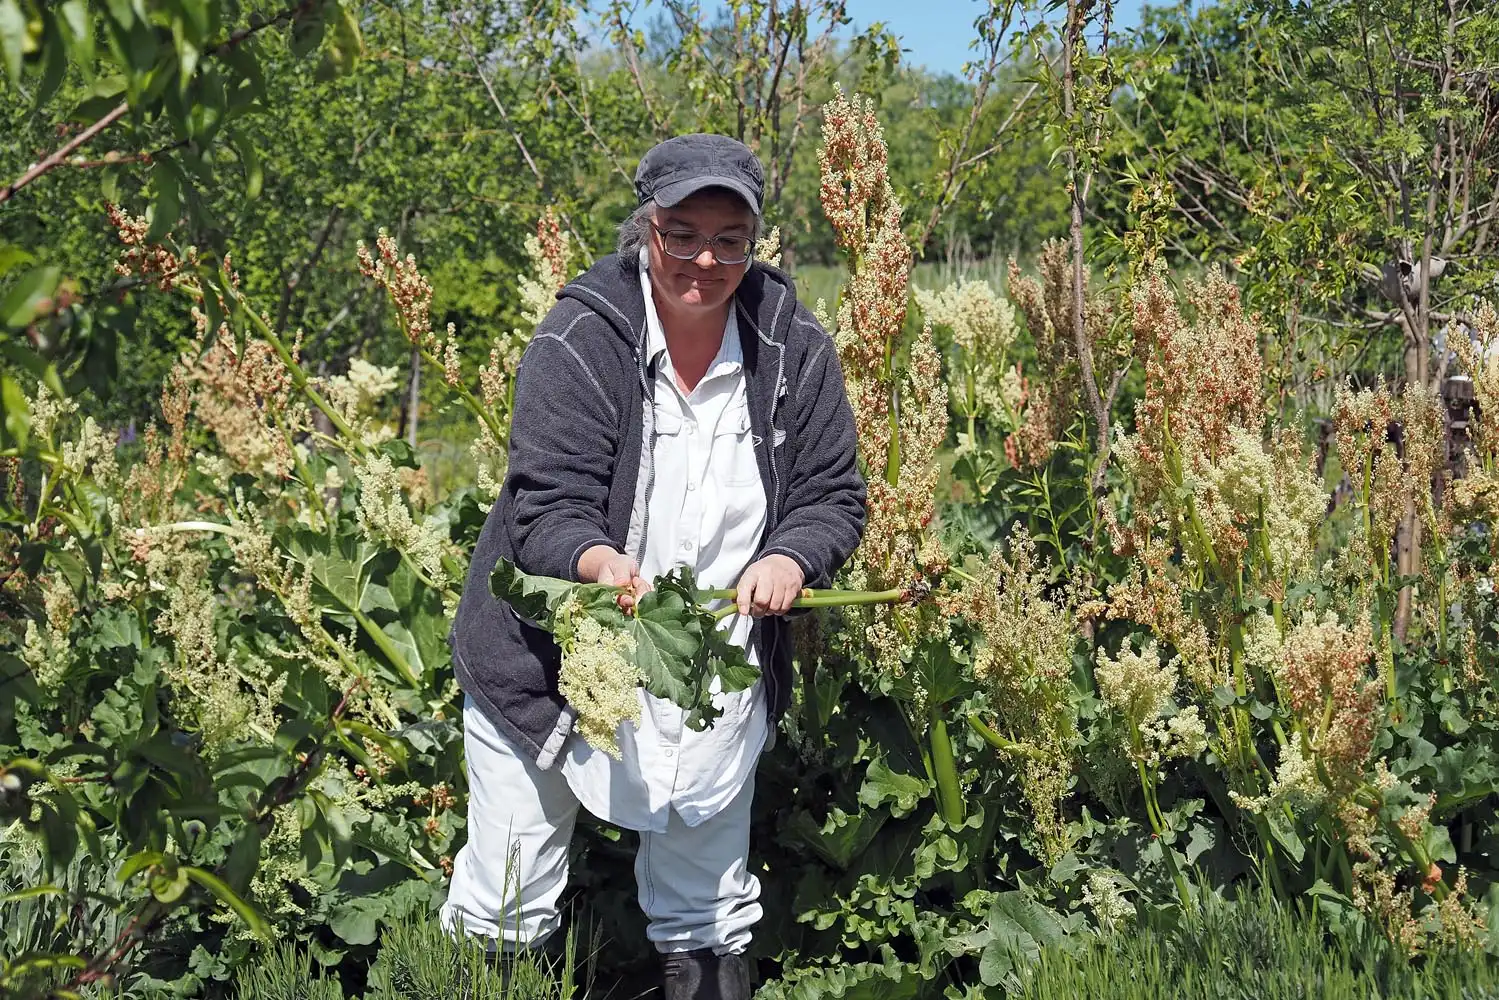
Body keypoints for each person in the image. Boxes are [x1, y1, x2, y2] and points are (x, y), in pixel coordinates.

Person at [441, 133, 866, 999]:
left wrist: (790, 554)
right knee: (509, 895)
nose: (705, 259)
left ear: (754, 243)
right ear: (648, 229)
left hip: (708, 658)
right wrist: (598, 564)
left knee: (704, 908)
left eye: (730, 239)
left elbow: (833, 494)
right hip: (554, 663)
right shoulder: (581, 336)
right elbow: (543, 504)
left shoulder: (791, 345)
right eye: (682, 233)